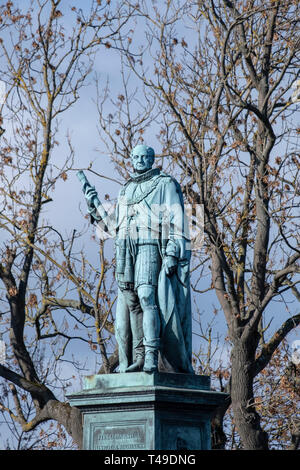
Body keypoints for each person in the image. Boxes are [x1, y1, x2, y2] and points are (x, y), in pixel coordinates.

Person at [83, 144, 193, 374]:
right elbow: (114, 226)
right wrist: (94, 206)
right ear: (131, 159)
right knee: (132, 303)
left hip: (149, 245)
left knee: (146, 296)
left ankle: (153, 355)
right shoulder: (126, 189)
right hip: (124, 250)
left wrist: (172, 251)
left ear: (152, 159)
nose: (141, 160)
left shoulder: (165, 183)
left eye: (145, 156)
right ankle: (140, 356)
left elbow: (178, 220)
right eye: (137, 156)